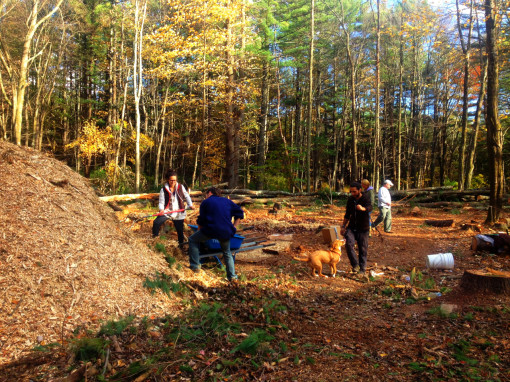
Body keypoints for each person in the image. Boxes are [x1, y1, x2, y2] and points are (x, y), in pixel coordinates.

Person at [188, 187, 244, 281]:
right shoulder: (227, 201)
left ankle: (195, 267)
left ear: (209, 193)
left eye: (206, 194)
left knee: (192, 240)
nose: (206, 196)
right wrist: (234, 226)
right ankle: (232, 277)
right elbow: (240, 212)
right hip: (225, 231)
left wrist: (198, 232)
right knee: (227, 252)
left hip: (211, 230)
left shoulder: (206, 202)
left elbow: (201, 221)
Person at [152, 169, 194, 247]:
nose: (173, 182)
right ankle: (154, 241)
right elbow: (161, 202)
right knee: (156, 223)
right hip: (167, 211)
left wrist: (190, 204)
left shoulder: (180, 187)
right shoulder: (163, 190)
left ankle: (180, 246)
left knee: (179, 230)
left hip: (178, 212)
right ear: (168, 180)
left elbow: (187, 196)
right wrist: (161, 210)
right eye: (171, 180)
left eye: (175, 180)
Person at [340, 182, 372, 274]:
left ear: (359, 190)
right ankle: (355, 265)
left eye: (354, 191)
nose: (352, 193)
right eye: (351, 192)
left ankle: (362, 270)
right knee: (348, 244)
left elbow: (370, 207)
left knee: (363, 248)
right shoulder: (350, 200)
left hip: (363, 228)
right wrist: (343, 226)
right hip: (352, 227)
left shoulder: (365, 197)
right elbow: (347, 214)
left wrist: (363, 209)